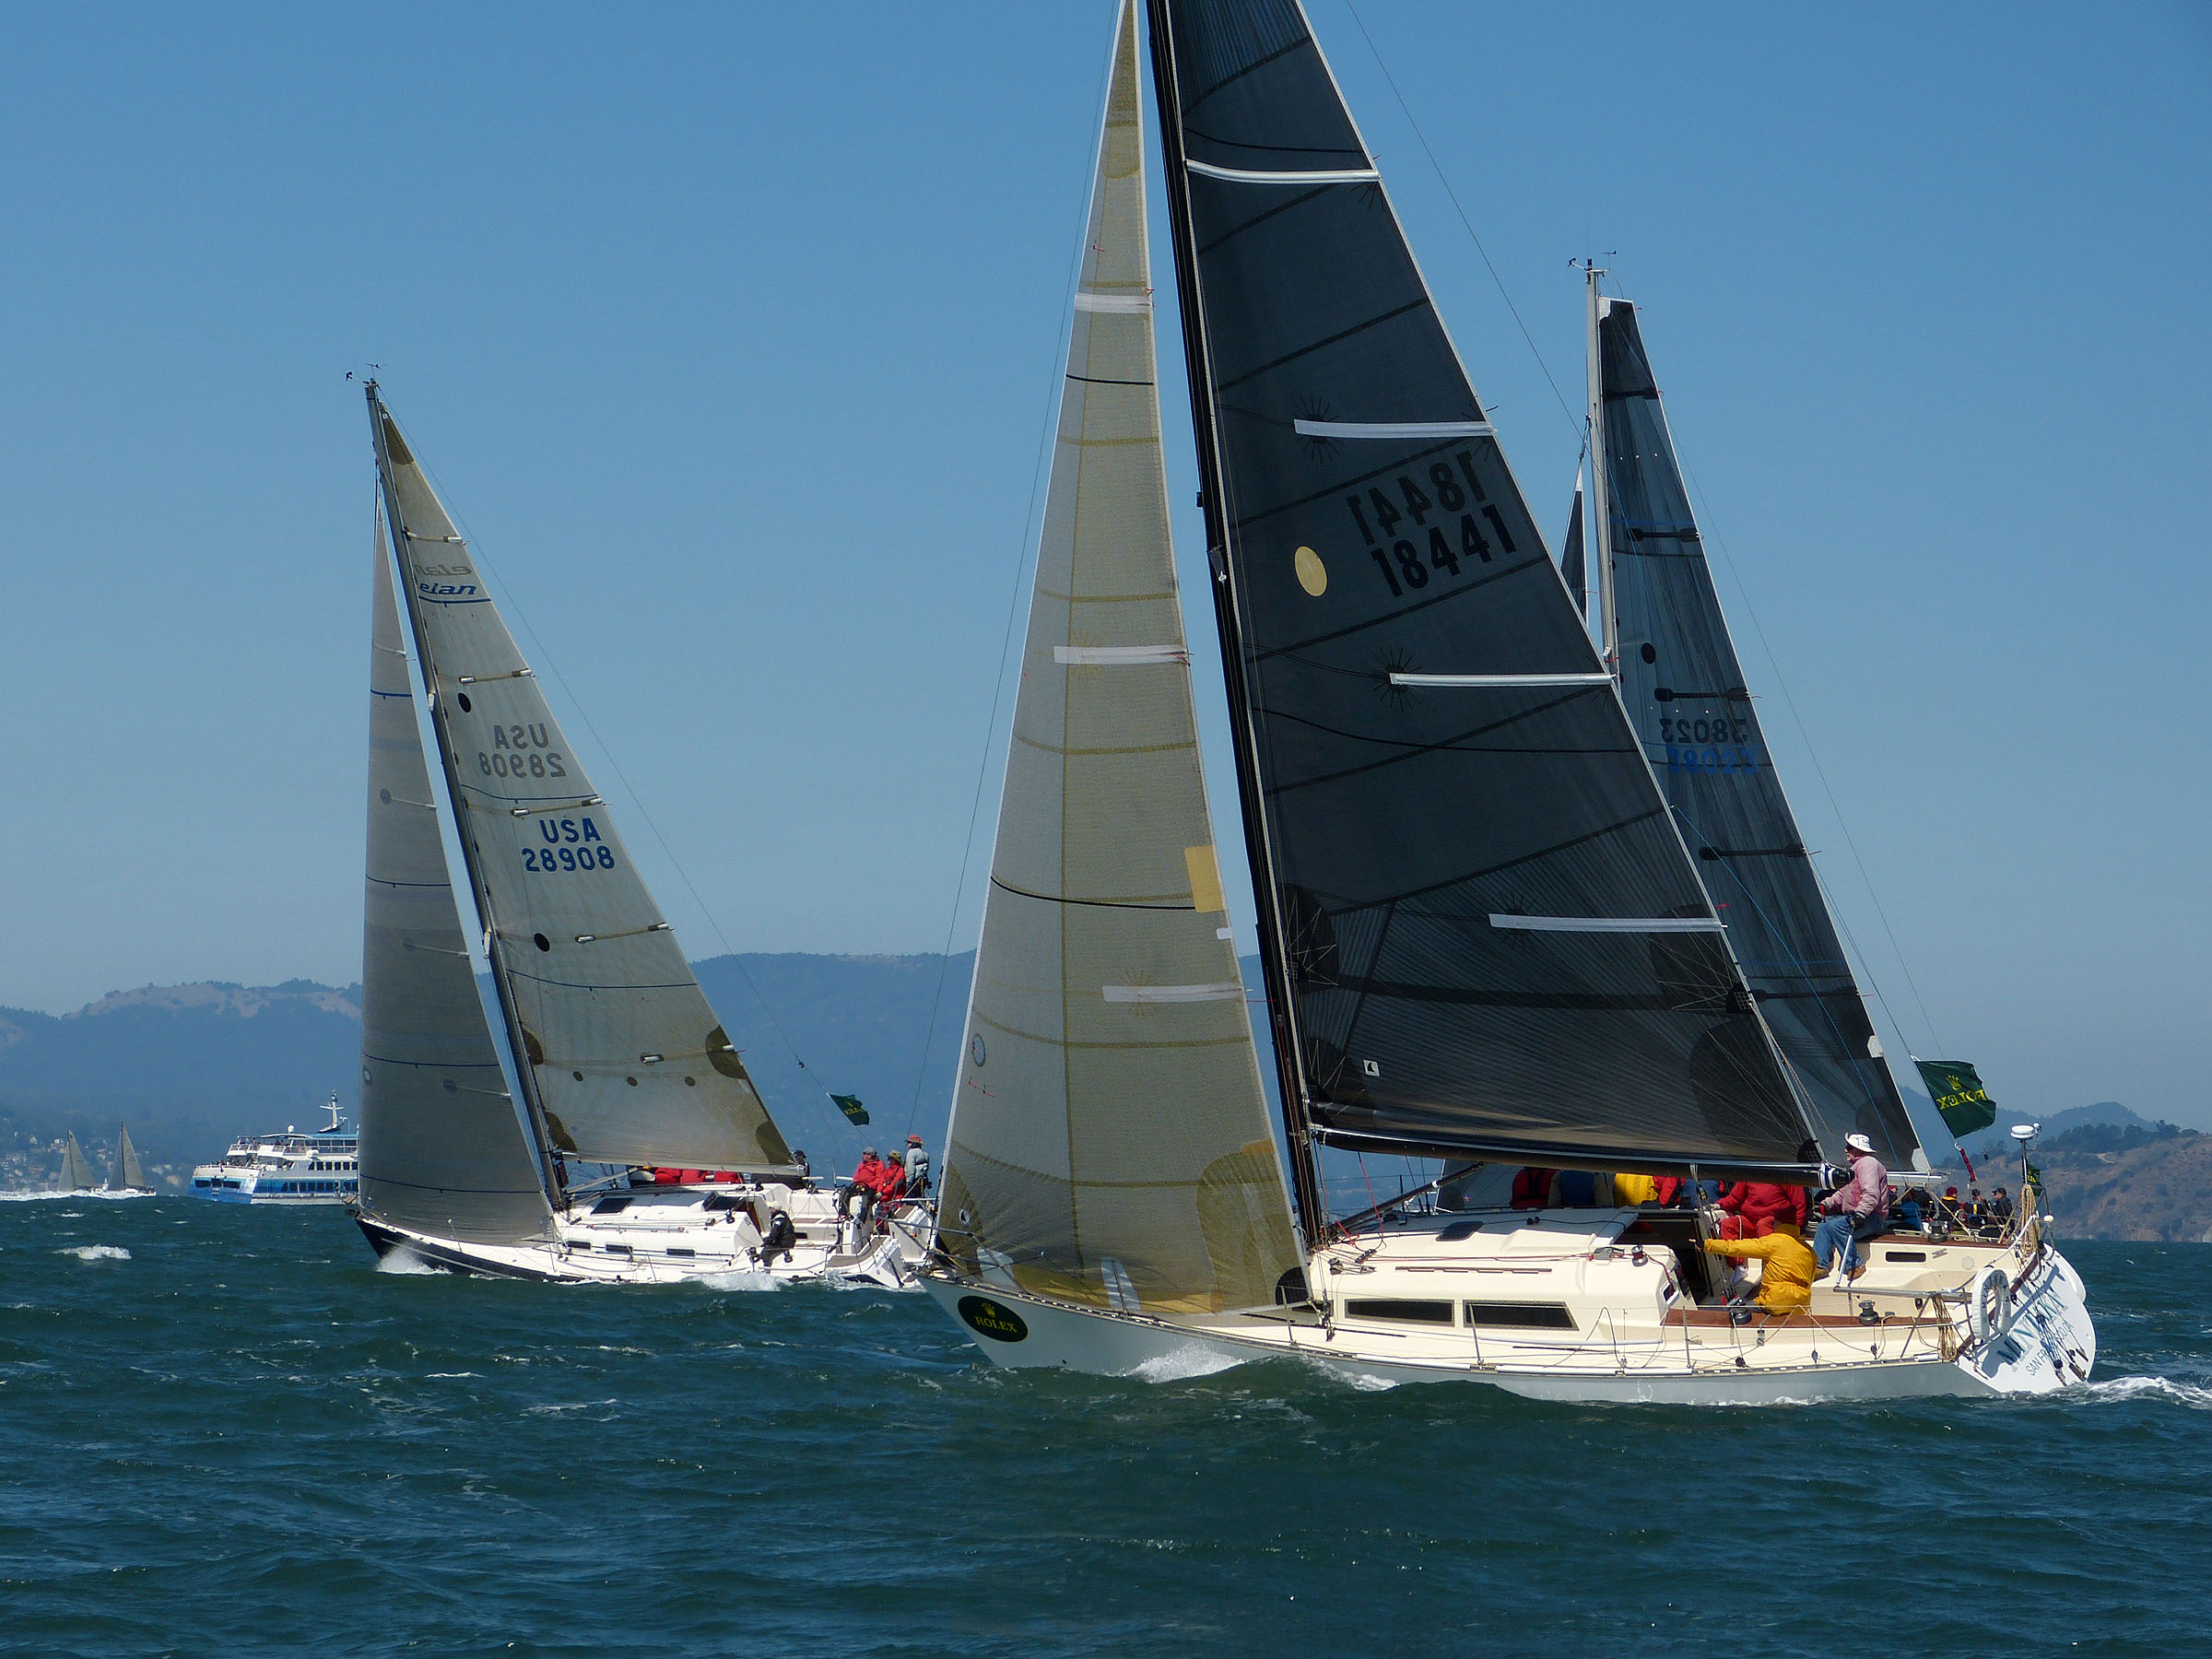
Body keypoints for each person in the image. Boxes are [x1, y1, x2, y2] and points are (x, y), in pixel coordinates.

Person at [1812, 1132, 1888, 1289]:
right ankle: (1820, 1266)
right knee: (1823, 1226)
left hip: (1871, 1217)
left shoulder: (1868, 1164)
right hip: (1858, 1216)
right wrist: (1826, 1204)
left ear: (1859, 1150)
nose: (1845, 1150)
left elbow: (1871, 1193)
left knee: (1836, 1226)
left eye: (1849, 1147)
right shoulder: (1856, 1167)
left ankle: (1855, 1264)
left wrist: (1861, 1213)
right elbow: (1842, 1194)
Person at [1702, 1218, 1818, 1312]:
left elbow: (1735, 1247)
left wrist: (1707, 1244)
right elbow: (1810, 1280)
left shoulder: (1773, 1241)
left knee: (1723, 1310)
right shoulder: (1809, 1250)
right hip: (1801, 1306)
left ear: (1779, 1223)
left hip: (1774, 1304)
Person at [1716, 1181, 1807, 1241]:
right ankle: (1737, 1263)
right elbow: (1735, 1199)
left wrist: (1794, 1230)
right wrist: (1717, 1205)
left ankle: (1769, 1263)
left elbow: (1799, 1205)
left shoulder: (1785, 1176)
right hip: (1750, 1222)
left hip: (1775, 1224)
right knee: (1727, 1225)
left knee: (1763, 1225)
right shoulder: (1749, 1174)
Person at [899, 1133, 930, 1199]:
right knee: (919, 1196)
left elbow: (910, 1169)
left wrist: (908, 1183)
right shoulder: (925, 1154)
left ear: (913, 1143)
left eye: (909, 1142)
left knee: (910, 1198)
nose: (908, 1144)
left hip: (914, 1180)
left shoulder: (911, 1153)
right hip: (923, 1180)